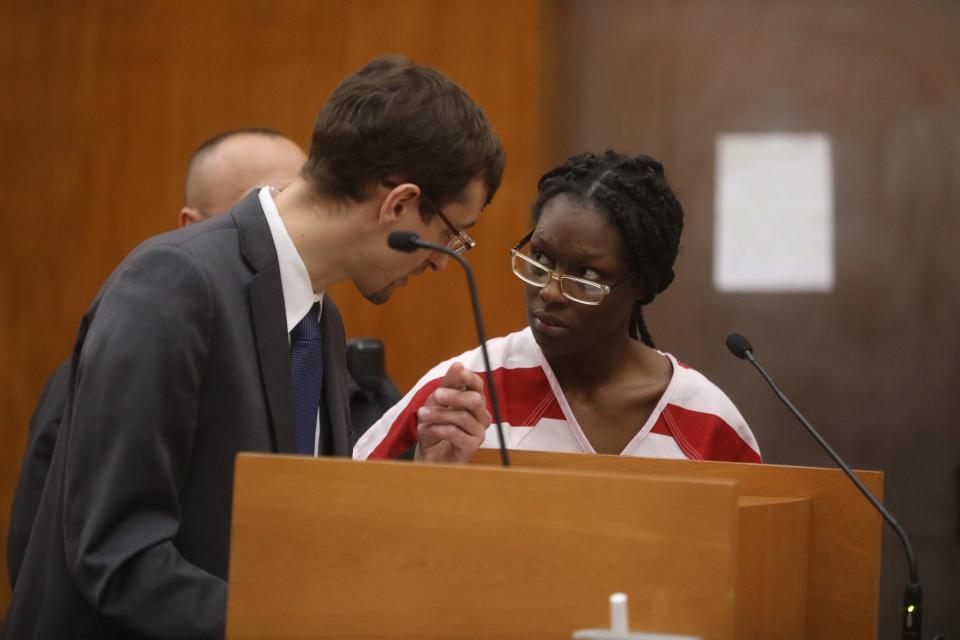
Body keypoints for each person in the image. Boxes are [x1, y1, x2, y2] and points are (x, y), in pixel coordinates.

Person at [3, 55, 503, 639]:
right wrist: (286, 626)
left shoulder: (323, 318)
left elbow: (294, 536)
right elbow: (114, 553)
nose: (443, 263)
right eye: (449, 235)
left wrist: (422, 474)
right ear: (398, 205)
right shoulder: (174, 282)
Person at [5, 128, 306, 590]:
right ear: (192, 226)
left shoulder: (311, 352)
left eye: (297, 202)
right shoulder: (109, 365)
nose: (286, 226)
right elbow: (41, 554)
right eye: (264, 205)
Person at [354, 151, 761, 463]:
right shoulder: (464, 391)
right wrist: (429, 472)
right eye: (542, 260)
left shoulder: (707, 420)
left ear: (641, 284)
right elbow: (348, 508)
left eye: (586, 275)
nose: (550, 292)